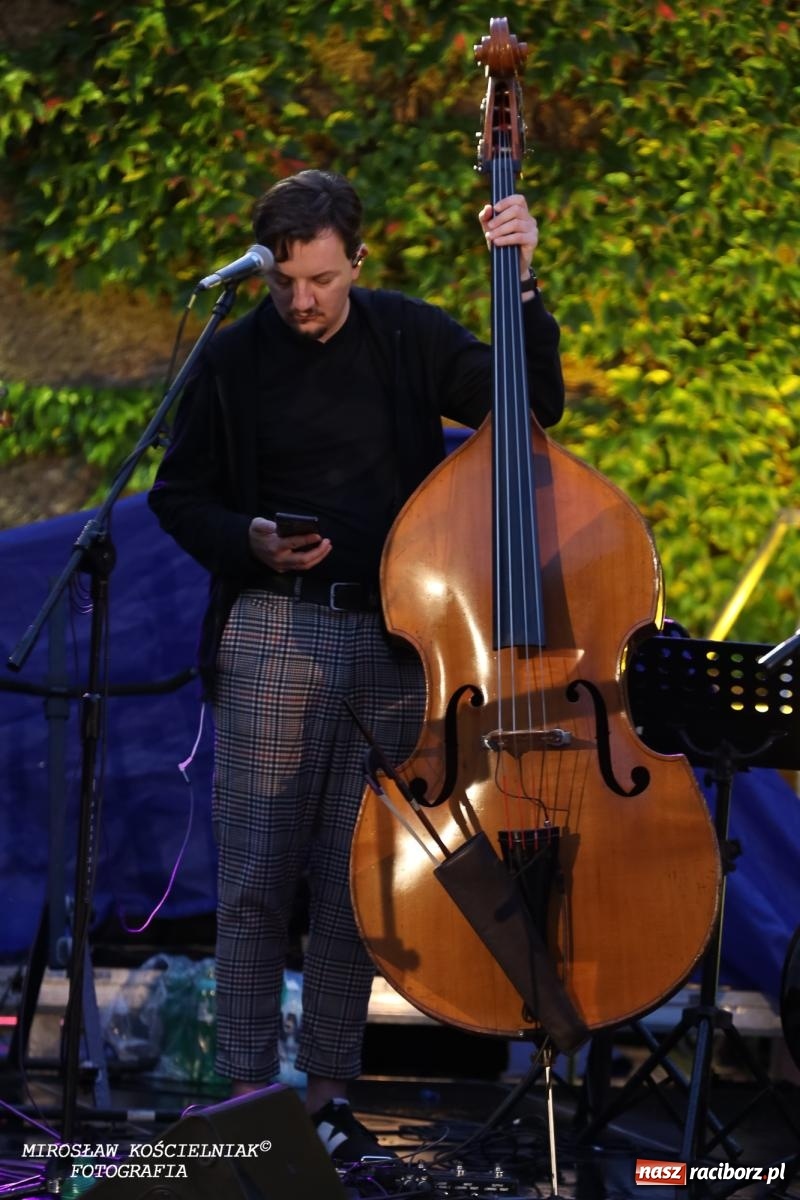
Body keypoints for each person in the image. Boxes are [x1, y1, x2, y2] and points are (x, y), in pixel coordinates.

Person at [148, 168, 565, 1162]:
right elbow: (178, 493)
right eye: (286, 281)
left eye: (323, 281)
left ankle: (329, 1099)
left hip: (394, 638)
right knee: (254, 875)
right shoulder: (232, 356)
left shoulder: (406, 334)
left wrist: (520, 281)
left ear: (356, 263)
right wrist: (245, 537)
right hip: (271, 623)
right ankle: (250, 1095)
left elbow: (530, 405)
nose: (303, 301)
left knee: (353, 882)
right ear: (265, 270)